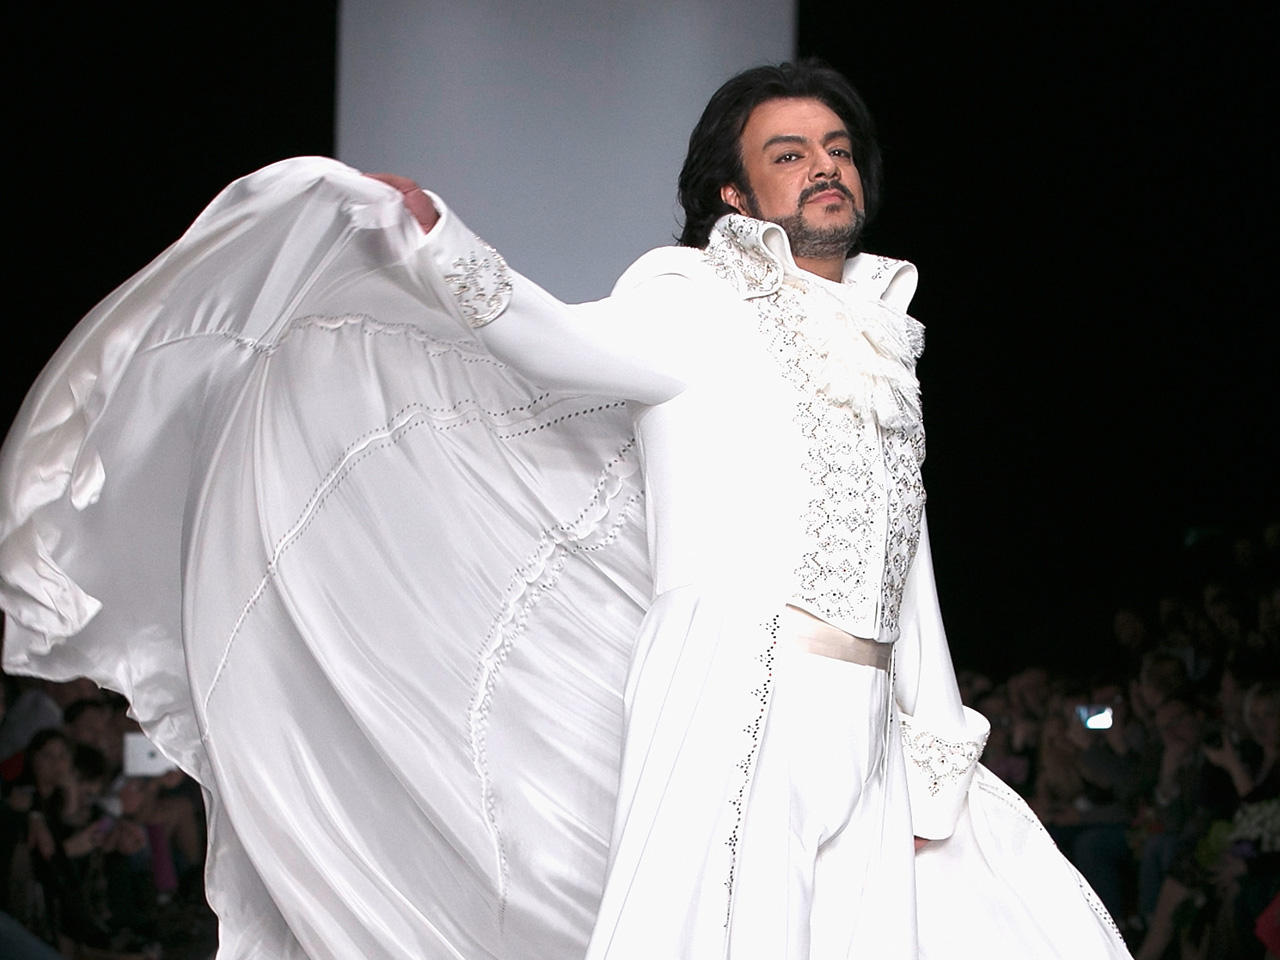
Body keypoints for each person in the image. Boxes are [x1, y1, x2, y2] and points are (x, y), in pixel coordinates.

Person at [0, 61, 1130, 958]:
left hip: (870, 717)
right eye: (788, 155)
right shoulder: (694, 298)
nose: (823, 168)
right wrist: (439, 247)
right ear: (734, 195)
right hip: (739, 688)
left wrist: (937, 737)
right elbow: (553, 342)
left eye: (836, 150)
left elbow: (903, 552)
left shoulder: (884, 341)